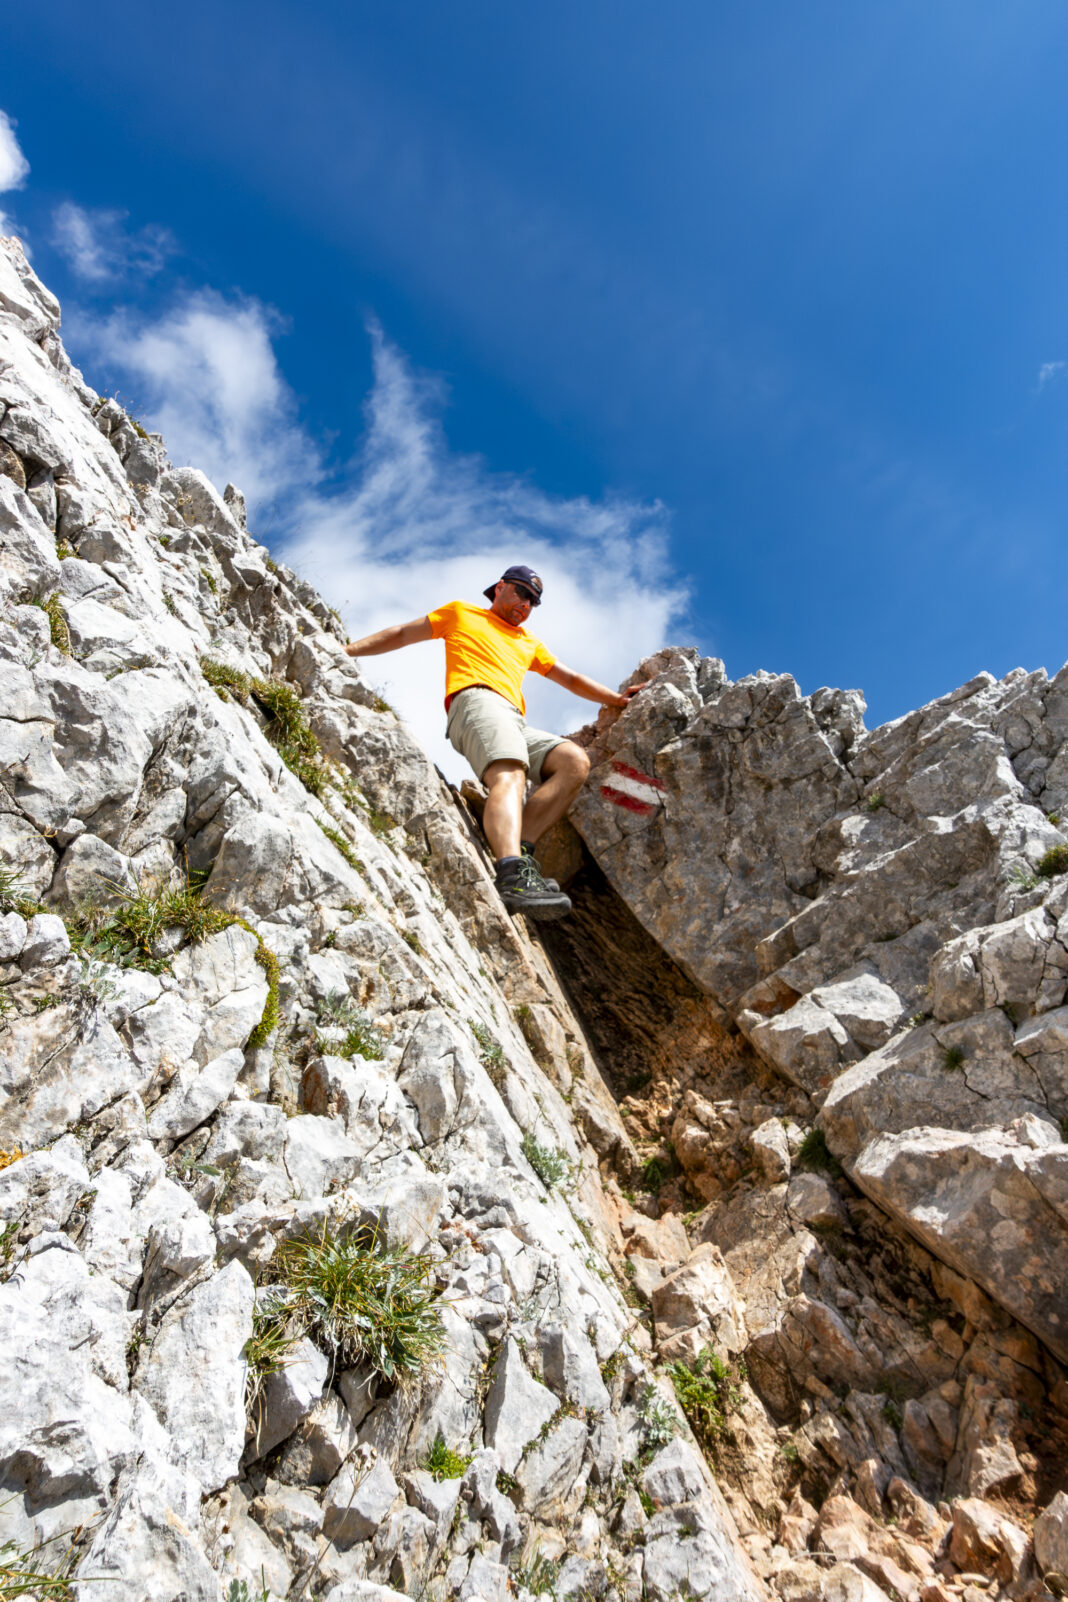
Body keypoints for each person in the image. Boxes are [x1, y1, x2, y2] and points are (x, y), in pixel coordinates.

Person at [345, 564, 651, 919]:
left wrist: (617, 701)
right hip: (476, 701)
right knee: (511, 776)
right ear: (501, 587)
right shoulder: (462, 612)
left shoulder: (528, 642)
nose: (526, 604)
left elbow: (571, 678)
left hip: (514, 719)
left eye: (533, 602)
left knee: (574, 762)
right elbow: (401, 633)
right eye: (522, 593)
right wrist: (346, 651)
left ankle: (518, 854)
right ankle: (511, 875)